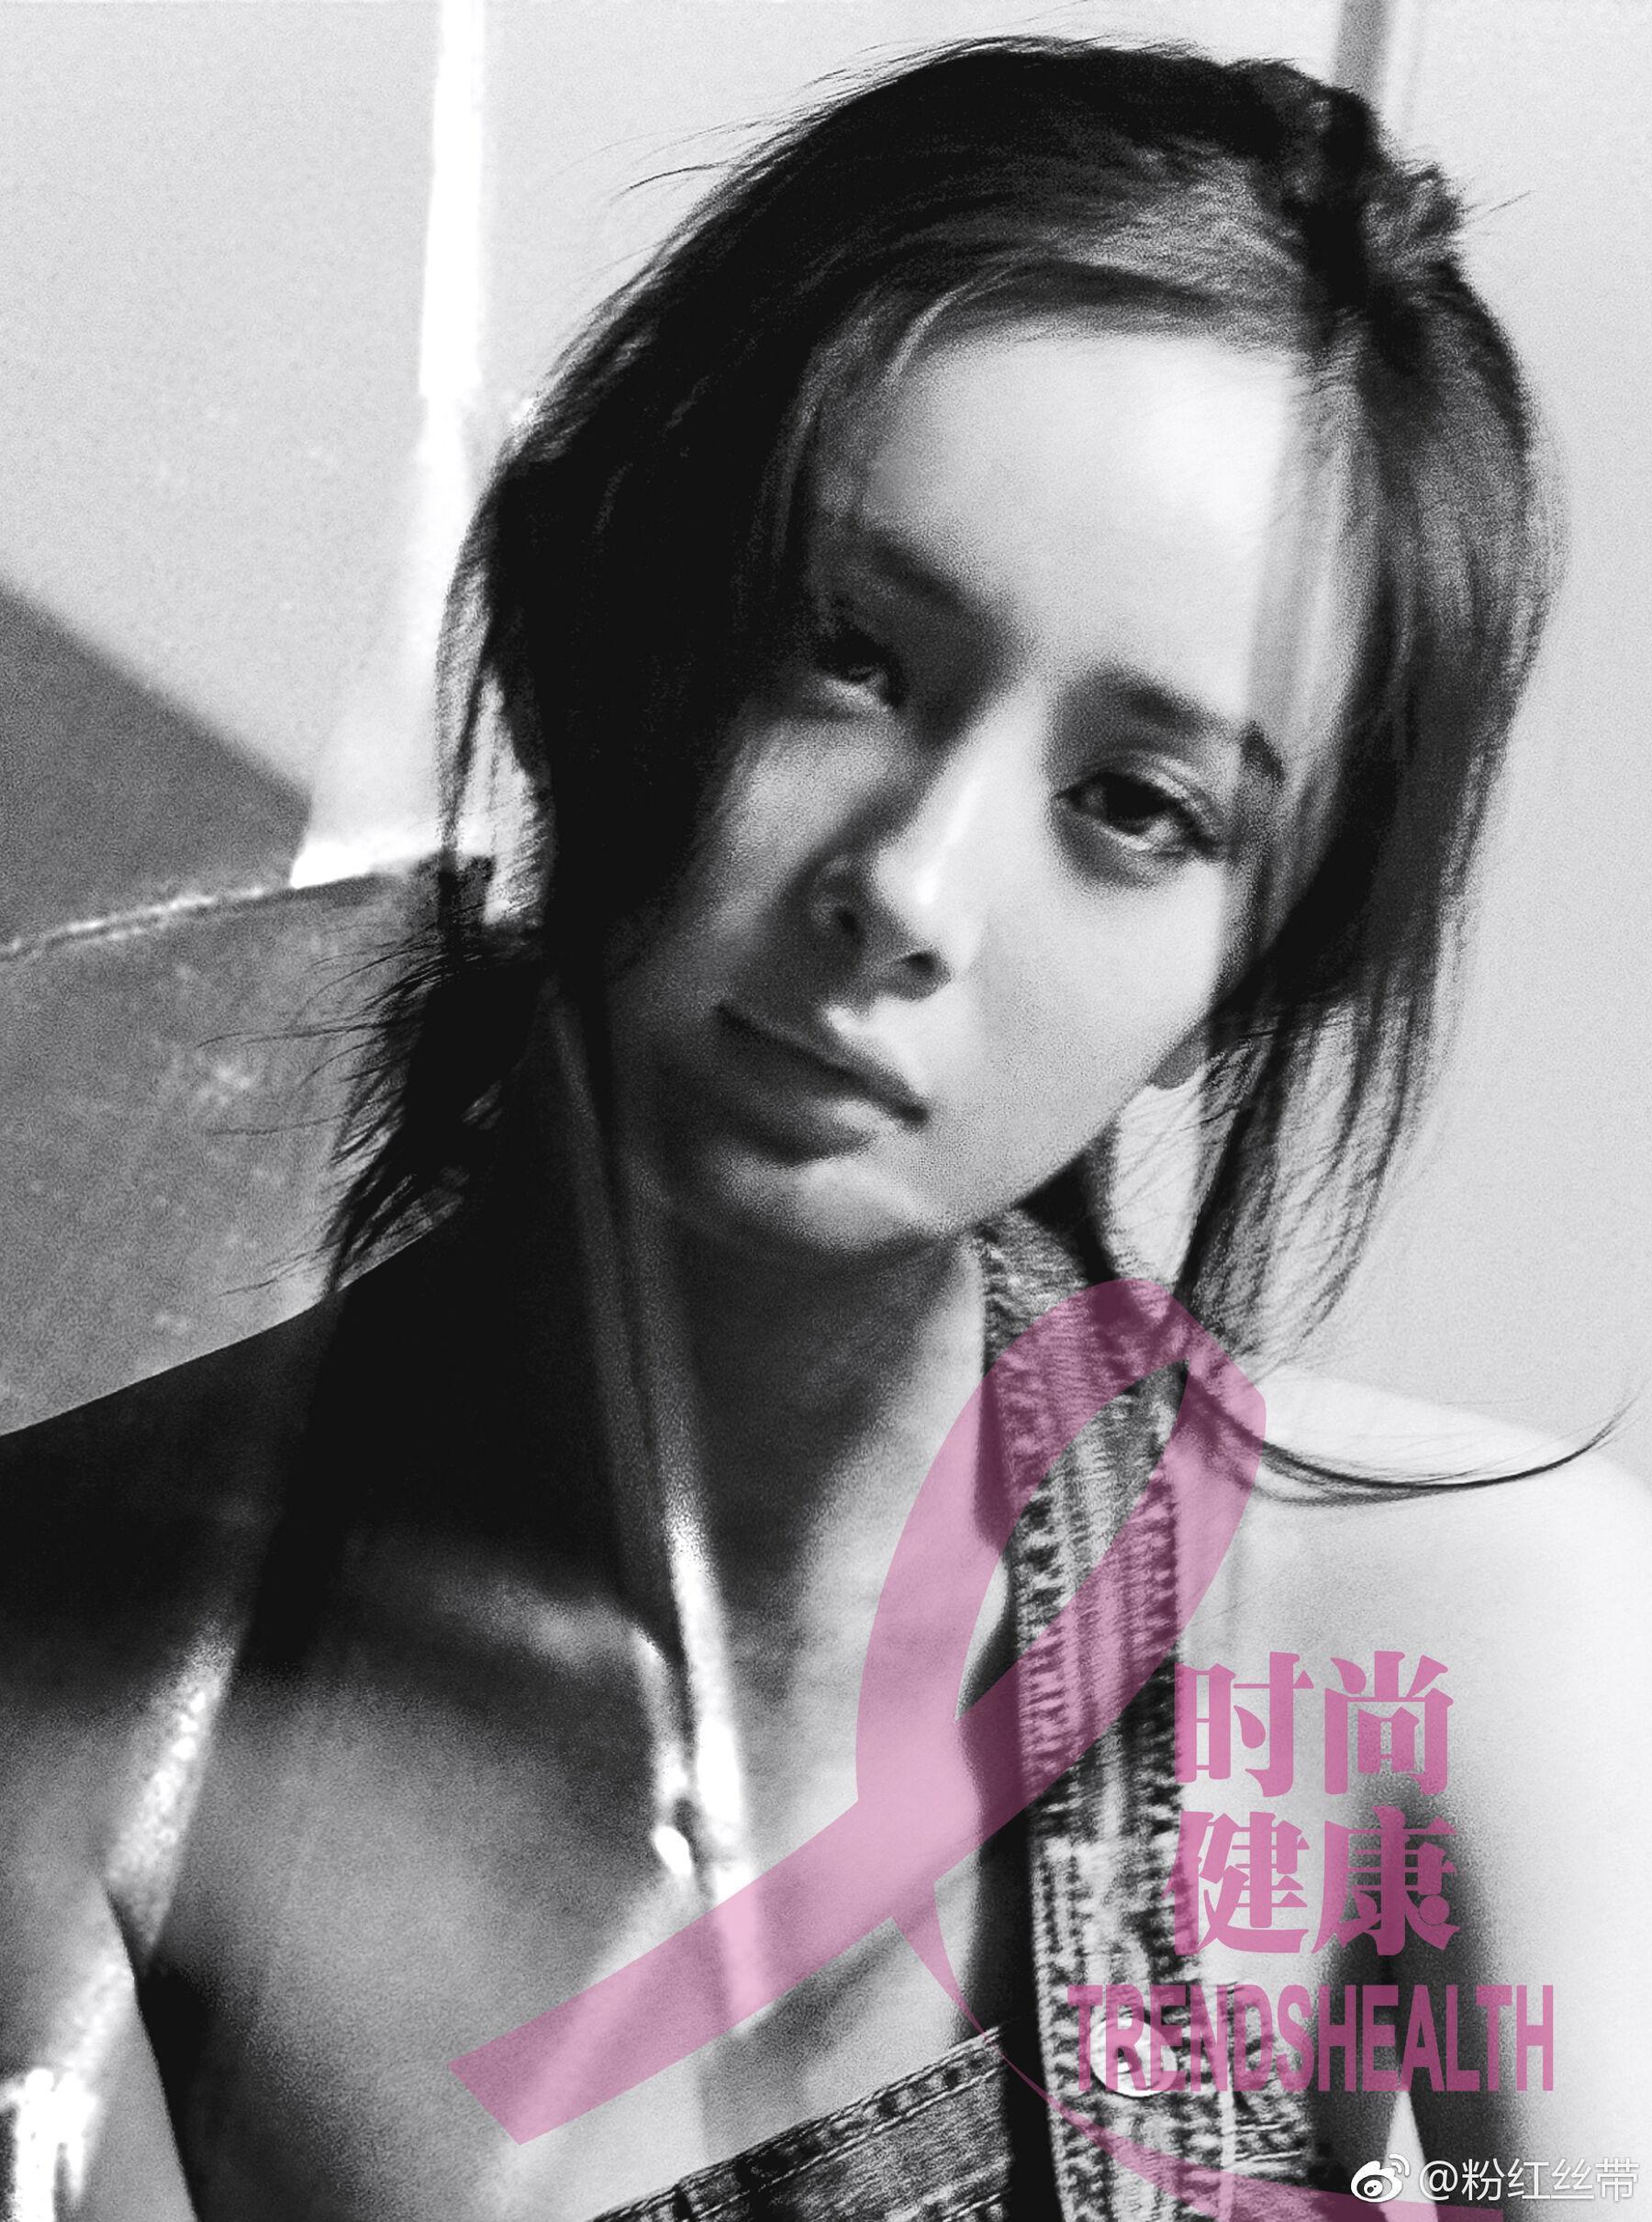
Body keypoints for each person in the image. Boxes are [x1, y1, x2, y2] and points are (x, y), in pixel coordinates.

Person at [2, 35, 1647, 2221]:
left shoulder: (1459, 1632)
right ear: (575, 602)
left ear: (1257, 973)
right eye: (841, 650)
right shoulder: (73, 1702)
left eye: (1137, 804)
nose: (911, 888)